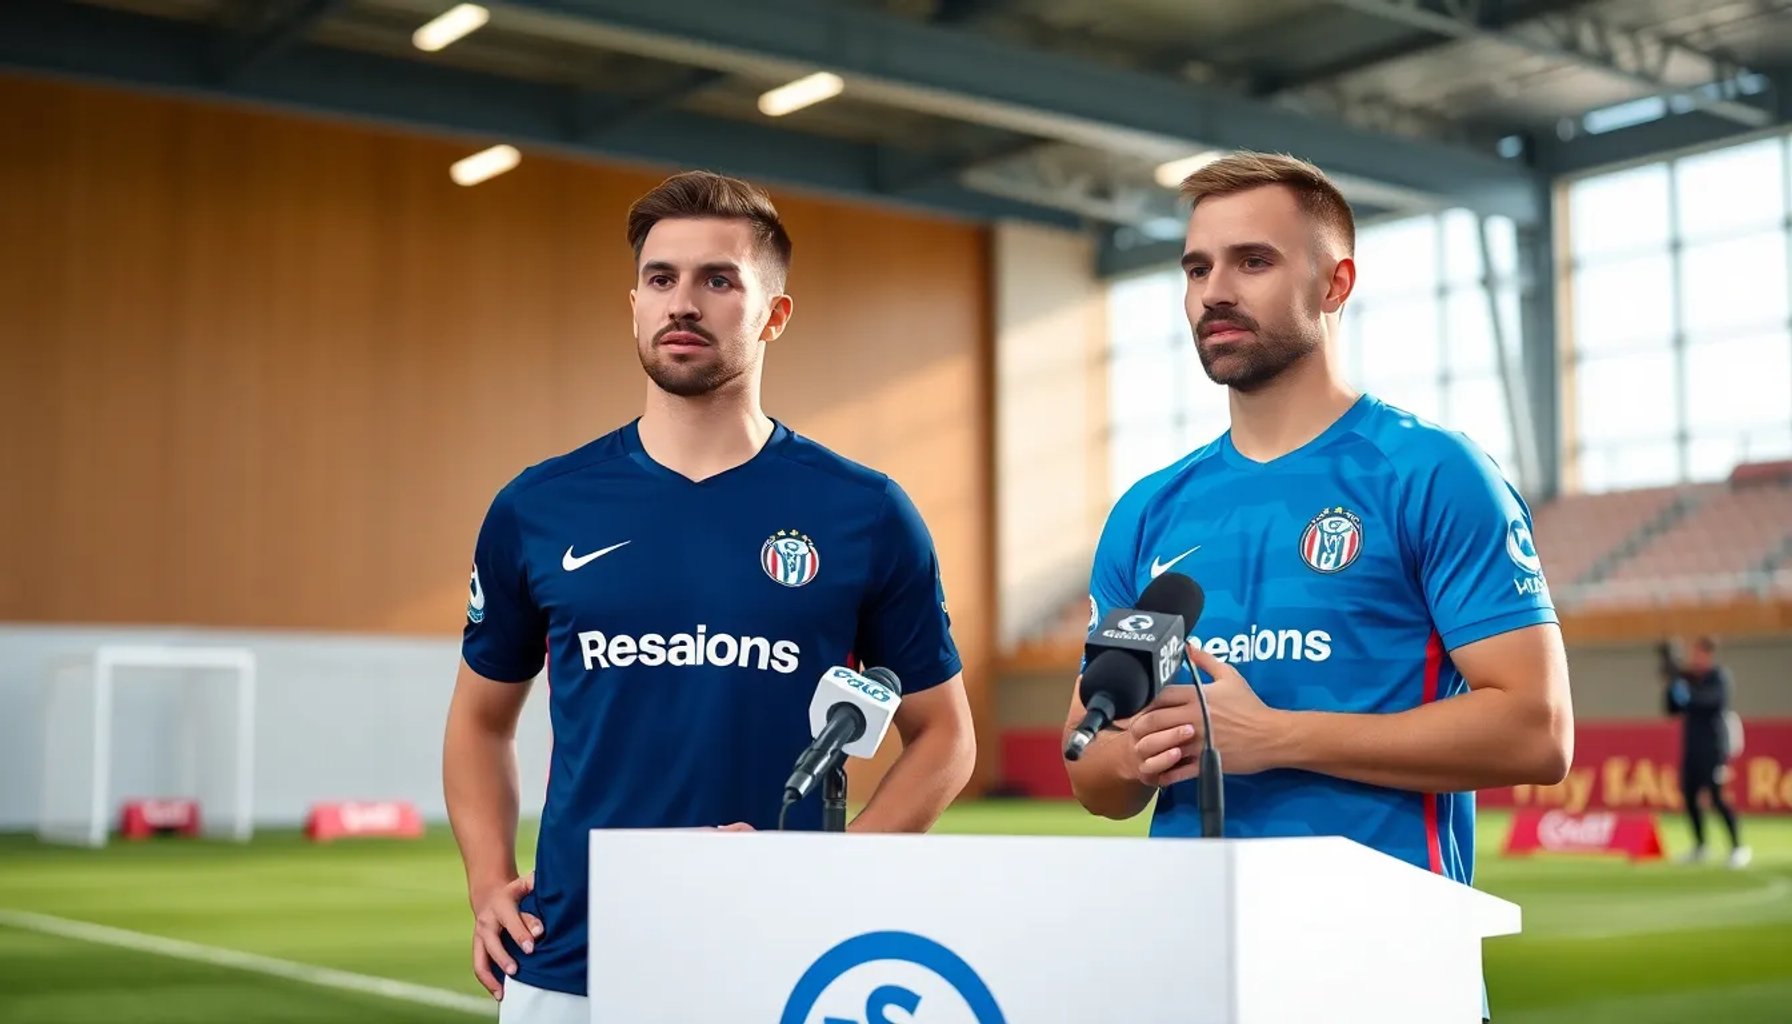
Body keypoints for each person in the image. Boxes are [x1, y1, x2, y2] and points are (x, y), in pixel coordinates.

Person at [442, 170, 977, 1022]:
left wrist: (829, 873)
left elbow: (944, 738)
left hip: (787, 954)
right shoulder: (538, 508)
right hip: (574, 957)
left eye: (718, 280)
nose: (681, 303)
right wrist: (484, 879)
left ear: (774, 314)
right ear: (634, 305)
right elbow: (479, 720)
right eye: (662, 279)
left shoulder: (865, 511)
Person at [1062, 152, 1574, 1021]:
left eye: (1252, 262)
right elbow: (1092, 772)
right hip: (1194, 971)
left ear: (1335, 284)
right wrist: (1132, 754)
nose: (1214, 290)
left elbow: (1537, 730)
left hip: (1388, 970)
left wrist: (1274, 737)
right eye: (1197, 267)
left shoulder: (1431, 473)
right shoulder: (1147, 512)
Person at [1659, 636, 1750, 867]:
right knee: (1689, 797)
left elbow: (1712, 703)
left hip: (1714, 749)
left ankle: (1738, 847)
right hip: (1692, 749)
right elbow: (1671, 709)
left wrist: (1687, 695)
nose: (1695, 658)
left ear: (1709, 654)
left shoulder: (1718, 677)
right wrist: (1672, 683)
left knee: (1718, 798)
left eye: (1699, 653)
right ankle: (1700, 846)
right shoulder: (1688, 679)